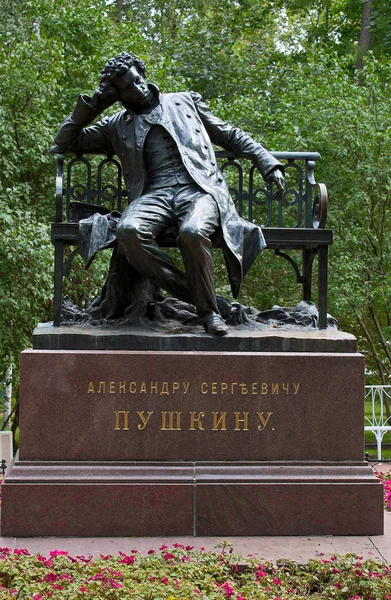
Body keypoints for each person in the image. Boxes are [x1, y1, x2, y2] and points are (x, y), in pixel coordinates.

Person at [54, 51, 284, 336]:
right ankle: (204, 301)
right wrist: (94, 105)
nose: (138, 88)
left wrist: (266, 161)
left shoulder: (184, 101)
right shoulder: (116, 125)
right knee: (128, 231)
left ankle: (209, 312)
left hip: (199, 189)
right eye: (128, 87)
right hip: (155, 195)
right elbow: (64, 141)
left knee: (192, 232)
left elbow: (229, 134)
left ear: (143, 74)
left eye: (138, 80)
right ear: (118, 95)